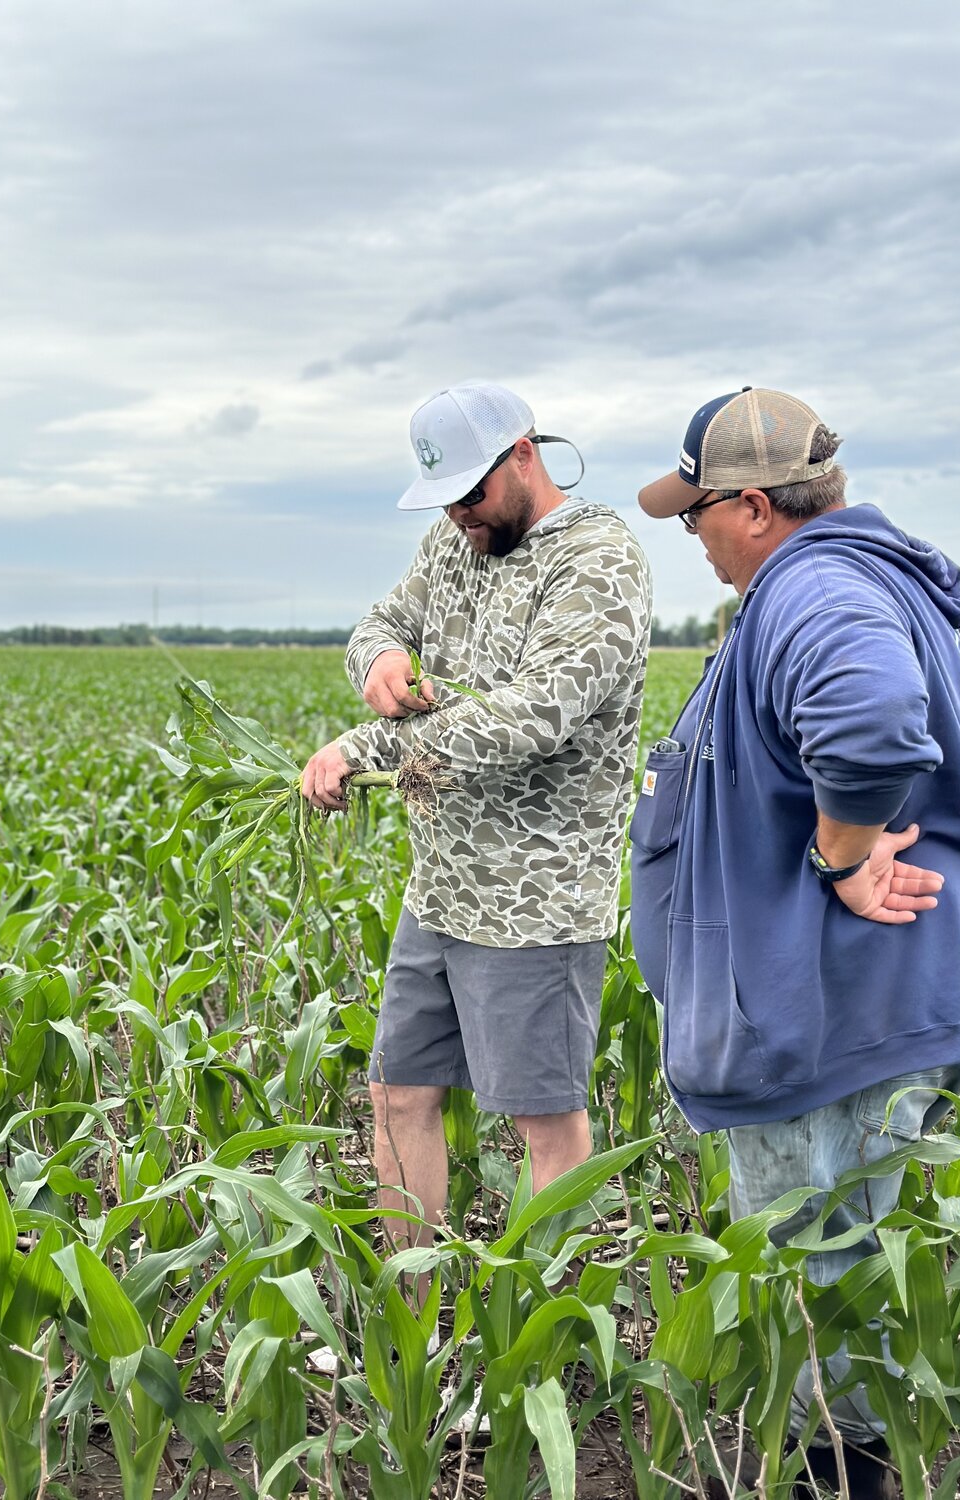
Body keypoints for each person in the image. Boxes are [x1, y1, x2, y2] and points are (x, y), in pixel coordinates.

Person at [630, 386, 960, 1498]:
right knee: (842, 1276)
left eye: (696, 512)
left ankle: (838, 1483)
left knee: (823, 1292)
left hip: (834, 1014)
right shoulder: (846, 578)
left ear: (754, 506)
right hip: (855, 1009)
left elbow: (869, 715)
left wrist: (844, 859)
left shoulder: (814, 588)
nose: (689, 533)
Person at [302, 380, 651, 1308]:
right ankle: (416, 1323)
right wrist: (374, 662)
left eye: (471, 493)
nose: (459, 515)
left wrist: (366, 745)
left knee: (545, 1126)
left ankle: (531, 1340)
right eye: (444, 499)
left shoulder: (599, 563)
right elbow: (382, 623)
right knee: (397, 1096)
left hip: (536, 902)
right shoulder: (453, 538)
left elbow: (531, 717)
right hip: (441, 888)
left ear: (524, 454)